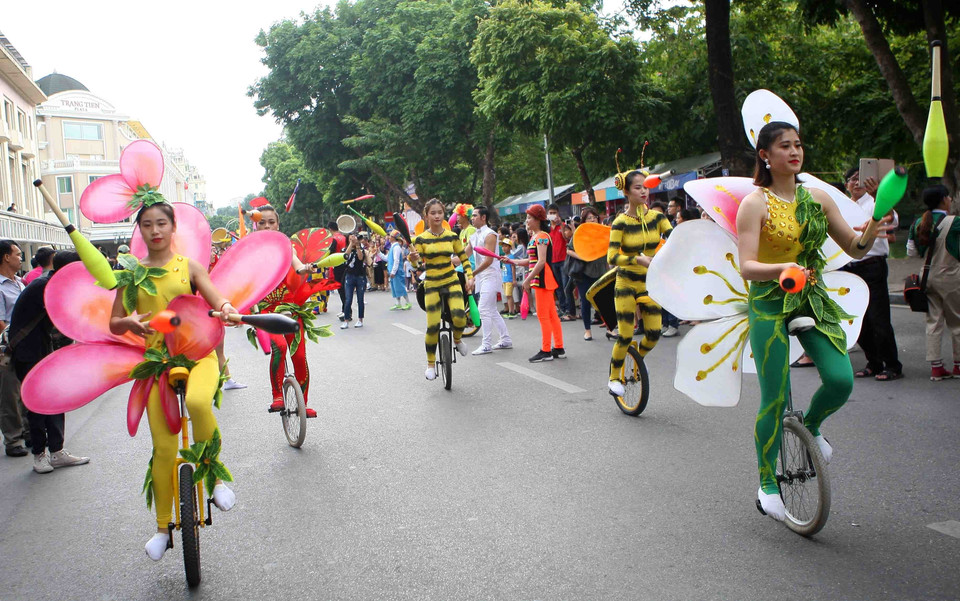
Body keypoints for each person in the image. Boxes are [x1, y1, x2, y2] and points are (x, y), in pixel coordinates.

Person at [737, 121, 887, 521]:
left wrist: (874, 224)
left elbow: (855, 247)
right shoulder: (755, 204)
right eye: (784, 146)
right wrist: (783, 266)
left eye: (798, 144)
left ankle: (813, 426)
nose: (794, 151)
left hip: (811, 299)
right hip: (769, 302)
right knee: (773, 398)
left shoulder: (818, 198)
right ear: (765, 156)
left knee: (841, 379)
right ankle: (767, 483)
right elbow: (747, 267)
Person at [108, 200, 239, 560]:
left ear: (172, 227)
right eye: (147, 224)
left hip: (199, 355)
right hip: (157, 365)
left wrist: (227, 310)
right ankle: (163, 528)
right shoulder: (131, 277)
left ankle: (213, 480)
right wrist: (129, 324)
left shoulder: (190, 267)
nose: (155, 230)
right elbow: (114, 322)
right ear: (140, 231)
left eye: (161, 223)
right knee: (164, 450)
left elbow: (217, 299)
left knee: (198, 403)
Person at [10, 250, 90, 473]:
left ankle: (56, 451)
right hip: (27, 352)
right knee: (37, 404)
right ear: (68, 270)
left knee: (56, 400)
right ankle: (39, 455)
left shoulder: (52, 283)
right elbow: (70, 318)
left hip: (44, 349)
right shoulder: (45, 287)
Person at [606, 171, 673, 396]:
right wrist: (638, 259)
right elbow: (612, 258)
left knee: (654, 333)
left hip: (650, 284)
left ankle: (636, 360)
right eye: (637, 187)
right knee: (625, 335)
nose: (643, 191)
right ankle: (615, 376)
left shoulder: (657, 217)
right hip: (625, 283)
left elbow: (674, 240)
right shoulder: (620, 223)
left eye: (645, 186)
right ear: (626, 192)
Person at [836, 166, 903, 381]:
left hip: (872, 265)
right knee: (858, 318)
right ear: (846, 185)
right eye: (851, 180)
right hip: (849, 266)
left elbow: (891, 219)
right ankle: (873, 362)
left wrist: (877, 195)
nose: (855, 183)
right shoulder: (842, 206)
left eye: (859, 178)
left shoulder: (875, 201)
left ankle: (892, 365)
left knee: (878, 317)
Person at [255, 205, 321, 416]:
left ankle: (304, 402)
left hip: (290, 308)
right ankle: (277, 396)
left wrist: (306, 268)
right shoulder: (251, 251)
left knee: (299, 356)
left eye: (271, 222)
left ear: (278, 224)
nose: (267, 225)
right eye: (262, 222)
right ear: (255, 225)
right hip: (265, 311)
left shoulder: (286, 247)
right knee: (280, 348)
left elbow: (298, 266)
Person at [408, 199, 474, 380]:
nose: (437, 216)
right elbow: (416, 264)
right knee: (433, 326)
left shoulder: (453, 236)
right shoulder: (421, 239)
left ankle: (458, 339)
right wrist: (412, 258)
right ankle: (430, 364)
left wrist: (469, 275)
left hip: (452, 281)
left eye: (440, 212)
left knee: (460, 318)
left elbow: (464, 259)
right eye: (433, 213)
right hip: (432, 284)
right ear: (426, 216)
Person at [907, 185, 960, 381]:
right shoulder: (955, 222)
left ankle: (936, 368)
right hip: (951, 276)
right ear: (945, 199)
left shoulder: (918, 223)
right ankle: (958, 365)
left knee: (933, 322)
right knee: (957, 322)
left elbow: (911, 252)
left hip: (926, 278)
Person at [508, 205, 564, 362]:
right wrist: (513, 261)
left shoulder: (541, 237)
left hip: (543, 279)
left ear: (538, 219)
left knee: (543, 315)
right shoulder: (536, 237)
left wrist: (527, 279)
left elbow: (541, 261)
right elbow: (532, 261)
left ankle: (546, 350)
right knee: (551, 315)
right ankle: (558, 347)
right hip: (542, 278)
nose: (527, 221)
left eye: (529, 218)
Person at [466, 206, 512, 354]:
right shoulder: (474, 236)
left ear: (483, 217)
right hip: (482, 276)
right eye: (471, 216)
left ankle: (486, 344)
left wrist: (472, 273)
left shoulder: (490, 234)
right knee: (491, 310)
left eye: (474, 215)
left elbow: (488, 260)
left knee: (483, 309)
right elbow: (462, 255)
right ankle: (505, 339)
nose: (472, 218)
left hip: (490, 275)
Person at [0, 239, 28, 457]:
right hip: (6, 349)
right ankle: (13, 440)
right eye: (18, 254)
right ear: (6, 257)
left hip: (25, 346)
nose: (21, 258)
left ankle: (29, 432)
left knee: (25, 391)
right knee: (9, 396)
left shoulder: (20, 283)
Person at [568, 207, 609, 341]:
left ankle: (611, 329)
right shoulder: (580, 234)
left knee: (605, 300)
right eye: (589, 218)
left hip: (602, 270)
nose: (593, 220)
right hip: (584, 273)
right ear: (584, 221)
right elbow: (569, 250)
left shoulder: (604, 232)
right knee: (585, 301)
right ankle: (587, 330)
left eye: (594, 217)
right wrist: (582, 257)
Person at [546, 204, 570, 318]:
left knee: (565, 286)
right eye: (550, 213)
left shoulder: (563, 226)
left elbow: (567, 239)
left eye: (554, 213)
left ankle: (569, 310)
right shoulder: (547, 229)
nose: (552, 215)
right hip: (552, 261)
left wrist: (561, 224)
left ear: (558, 213)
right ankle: (563, 308)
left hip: (564, 260)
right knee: (558, 287)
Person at [341, 233, 367, 329]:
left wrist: (357, 246)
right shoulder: (345, 249)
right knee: (348, 299)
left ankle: (360, 319)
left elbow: (360, 258)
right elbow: (345, 256)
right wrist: (351, 244)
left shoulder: (360, 249)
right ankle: (346, 320)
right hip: (349, 276)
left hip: (359, 276)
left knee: (360, 299)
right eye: (351, 237)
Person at [388, 231, 411, 310]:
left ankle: (408, 302)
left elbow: (396, 260)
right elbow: (388, 258)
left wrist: (393, 271)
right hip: (393, 271)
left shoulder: (396, 247)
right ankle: (398, 303)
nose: (389, 237)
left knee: (400, 287)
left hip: (397, 272)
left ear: (394, 238)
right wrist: (379, 253)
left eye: (390, 236)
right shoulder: (392, 247)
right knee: (395, 288)